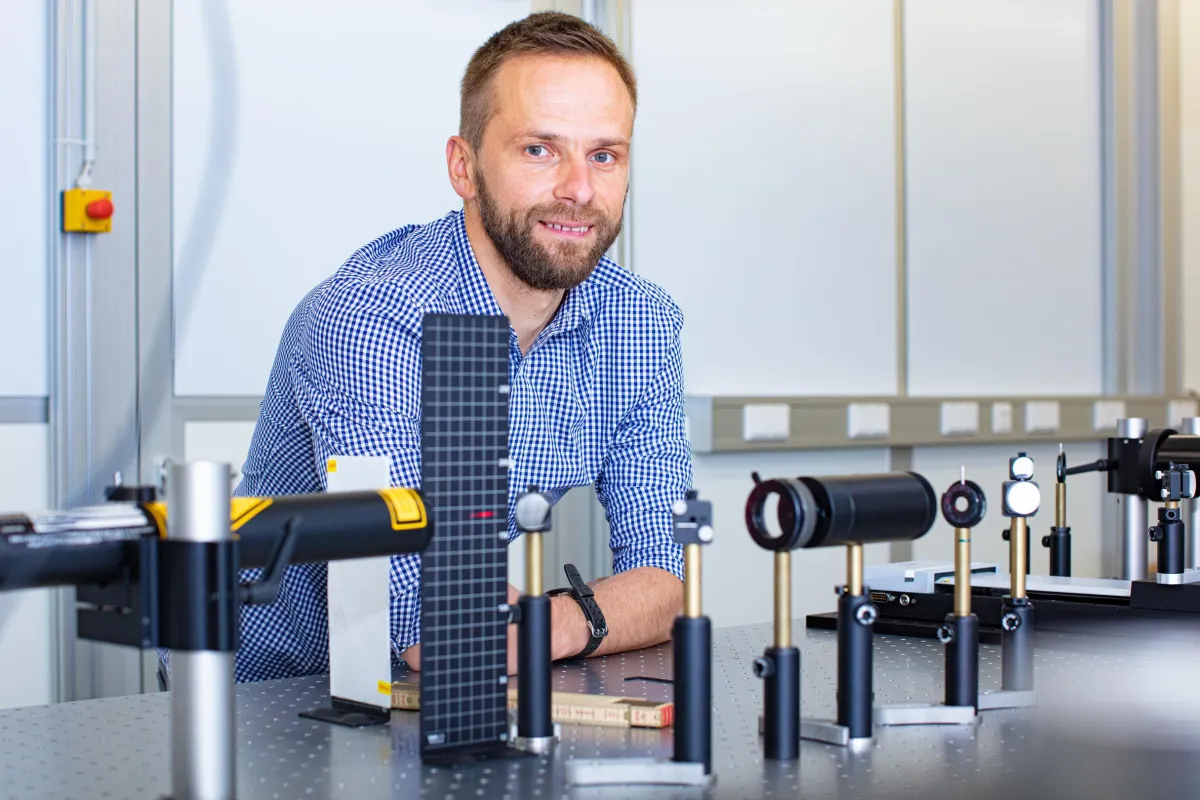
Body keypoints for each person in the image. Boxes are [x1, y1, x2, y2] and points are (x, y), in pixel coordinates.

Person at [229, 11, 692, 683]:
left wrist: (559, 621)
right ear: (463, 166)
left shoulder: (638, 322)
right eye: (539, 149)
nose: (579, 189)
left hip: (443, 695)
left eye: (604, 155)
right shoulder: (372, 318)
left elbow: (671, 575)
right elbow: (430, 622)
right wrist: (583, 617)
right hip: (268, 693)